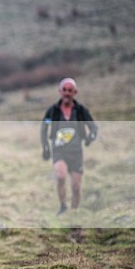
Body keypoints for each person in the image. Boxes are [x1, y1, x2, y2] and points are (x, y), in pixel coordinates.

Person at [40, 78, 98, 215]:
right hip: (59, 150)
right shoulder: (52, 111)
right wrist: (45, 147)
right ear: (60, 91)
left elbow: (93, 127)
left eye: (70, 90)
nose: (67, 93)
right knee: (60, 176)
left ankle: (74, 212)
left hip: (76, 152)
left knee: (76, 187)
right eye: (64, 90)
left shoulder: (81, 110)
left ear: (75, 92)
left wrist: (90, 137)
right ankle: (62, 206)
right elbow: (44, 129)